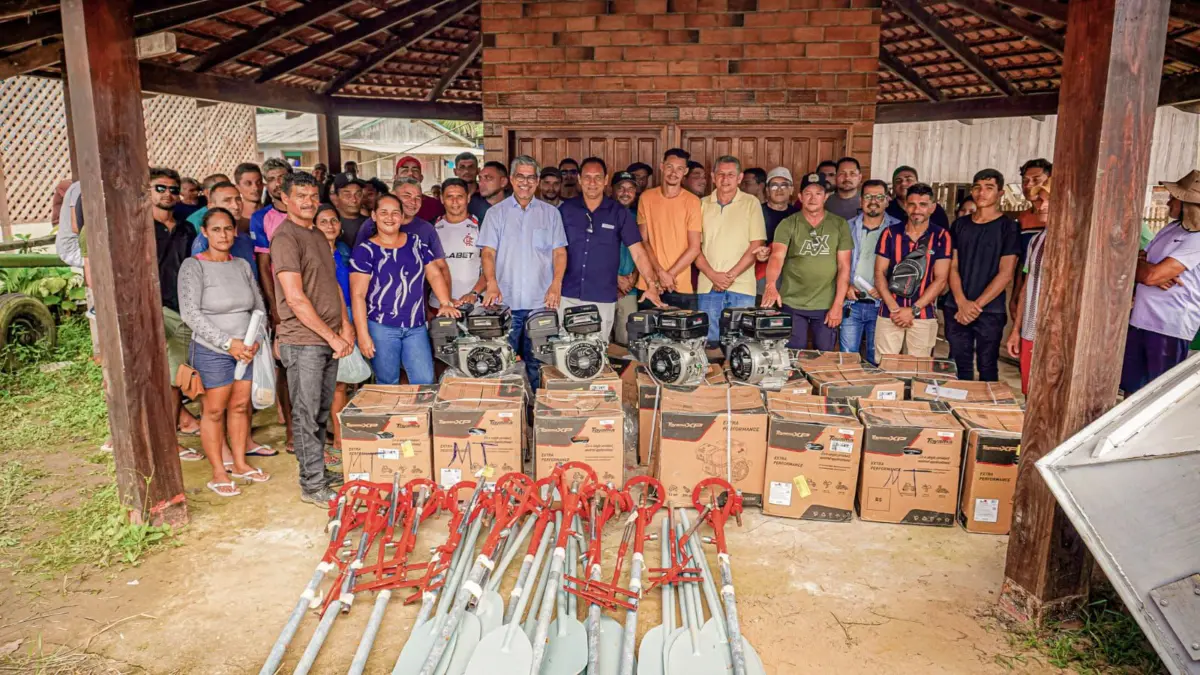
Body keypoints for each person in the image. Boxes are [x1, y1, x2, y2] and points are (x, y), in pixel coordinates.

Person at [270, 171, 355, 505]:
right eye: (300, 196)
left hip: (326, 338)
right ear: (285, 199)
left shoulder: (318, 234)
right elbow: (294, 298)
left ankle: (317, 471)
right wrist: (330, 336)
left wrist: (345, 326)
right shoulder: (285, 238)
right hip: (303, 340)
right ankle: (312, 484)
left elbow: (333, 283)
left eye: (311, 195)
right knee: (305, 414)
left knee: (320, 411)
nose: (307, 202)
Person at [177, 208, 270, 497]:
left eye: (228, 229)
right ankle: (218, 472)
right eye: (216, 229)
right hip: (212, 350)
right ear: (204, 232)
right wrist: (228, 343)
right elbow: (190, 313)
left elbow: (259, 306)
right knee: (214, 411)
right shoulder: (194, 266)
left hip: (247, 348)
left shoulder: (241, 264)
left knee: (241, 407)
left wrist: (254, 339)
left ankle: (240, 463)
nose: (223, 235)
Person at [479, 155, 568, 388]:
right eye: (521, 176)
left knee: (539, 363)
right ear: (511, 179)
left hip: (540, 304)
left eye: (531, 177)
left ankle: (536, 413)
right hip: (504, 303)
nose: (525, 182)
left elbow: (559, 253)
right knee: (501, 363)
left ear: (537, 181)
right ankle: (507, 414)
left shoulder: (551, 214)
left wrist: (556, 284)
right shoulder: (496, 213)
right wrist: (491, 282)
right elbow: (488, 253)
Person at [351, 194, 459, 385]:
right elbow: (358, 295)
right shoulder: (365, 251)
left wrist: (445, 302)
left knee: (425, 380)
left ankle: (418, 415)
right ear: (374, 216)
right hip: (381, 327)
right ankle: (391, 416)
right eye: (383, 212)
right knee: (388, 381)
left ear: (401, 217)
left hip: (415, 326)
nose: (389, 217)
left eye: (395, 213)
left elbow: (434, 274)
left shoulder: (416, 243)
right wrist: (363, 334)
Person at [559, 158, 663, 339]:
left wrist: (651, 284)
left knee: (596, 354)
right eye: (588, 177)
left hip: (602, 295)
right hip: (568, 294)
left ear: (605, 180)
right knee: (566, 352)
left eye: (597, 177)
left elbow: (638, 252)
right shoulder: (566, 209)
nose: (592, 183)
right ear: (580, 179)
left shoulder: (618, 212)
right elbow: (554, 251)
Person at [1121, 170, 1200, 394]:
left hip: (1169, 326)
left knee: (1158, 392)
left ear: (1188, 204)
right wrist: (1147, 271)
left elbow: (1150, 275)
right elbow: (1139, 262)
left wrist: (1149, 274)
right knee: (1131, 389)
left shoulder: (1197, 239)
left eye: (1174, 197)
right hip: (1141, 320)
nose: (1168, 201)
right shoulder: (1171, 228)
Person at [145, 167, 202, 457]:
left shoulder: (186, 228)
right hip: (150, 307)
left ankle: (169, 435)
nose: (168, 193)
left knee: (176, 376)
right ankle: (163, 440)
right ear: (147, 190)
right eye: (160, 188)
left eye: (173, 189)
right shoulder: (139, 226)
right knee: (157, 376)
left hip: (181, 308)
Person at [946, 168, 1021, 382]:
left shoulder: (1008, 227)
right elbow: (952, 266)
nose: (982, 193)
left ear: (1000, 194)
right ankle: (959, 411)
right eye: (977, 187)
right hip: (957, 307)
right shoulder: (960, 225)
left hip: (990, 310)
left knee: (987, 367)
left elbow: (1006, 273)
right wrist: (961, 302)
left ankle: (983, 413)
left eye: (989, 188)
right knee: (960, 367)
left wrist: (975, 306)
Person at [762, 173, 851, 351]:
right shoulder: (788, 224)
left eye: (818, 193)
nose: (813, 198)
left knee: (824, 357)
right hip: (792, 302)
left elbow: (844, 267)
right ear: (800, 197)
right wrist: (770, 285)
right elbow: (777, 256)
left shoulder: (839, 225)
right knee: (793, 355)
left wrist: (838, 305)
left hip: (826, 303)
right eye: (808, 193)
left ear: (826, 197)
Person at [873, 183, 952, 358]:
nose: (917, 210)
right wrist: (895, 309)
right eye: (912, 204)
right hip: (889, 313)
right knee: (886, 368)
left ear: (932, 207)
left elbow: (941, 279)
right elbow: (879, 273)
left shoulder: (941, 236)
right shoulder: (890, 234)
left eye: (923, 205)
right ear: (905, 206)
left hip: (923, 314)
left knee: (919, 372)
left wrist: (913, 310)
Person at [696, 156, 767, 345]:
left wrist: (729, 276)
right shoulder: (701, 204)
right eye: (720, 174)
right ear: (713, 177)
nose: (725, 179)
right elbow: (694, 247)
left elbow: (756, 244)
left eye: (730, 175)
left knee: (740, 342)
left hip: (742, 286)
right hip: (708, 285)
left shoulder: (751, 203)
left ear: (739, 177)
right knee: (709, 343)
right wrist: (713, 276)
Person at [841, 179, 900, 364]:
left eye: (879, 196)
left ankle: (874, 393)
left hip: (882, 305)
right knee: (848, 358)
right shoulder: (846, 227)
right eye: (868, 196)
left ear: (887, 200)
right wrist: (846, 285)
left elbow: (903, 267)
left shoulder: (898, 229)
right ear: (860, 200)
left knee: (878, 359)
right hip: (851, 303)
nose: (873, 200)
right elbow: (837, 263)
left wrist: (886, 289)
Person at [636, 148, 703, 310]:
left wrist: (669, 276)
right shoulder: (646, 197)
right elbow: (643, 241)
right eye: (670, 167)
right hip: (650, 284)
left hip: (680, 285)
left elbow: (694, 248)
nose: (674, 173)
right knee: (646, 334)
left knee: (681, 334)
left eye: (679, 169)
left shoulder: (692, 201)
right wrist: (660, 274)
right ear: (661, 166)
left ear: (685, 171)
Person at [314, 204, 355, 453]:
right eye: (324, 221)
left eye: (334, 221)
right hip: (329, 320)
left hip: (351, 315)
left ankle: (348, 430)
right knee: (337, 382)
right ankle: (339, 438)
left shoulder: (343, 251)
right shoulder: (313, 254)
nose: (330, 225)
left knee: (351, 379)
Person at [1006, 181, 1051, 394]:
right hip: (1030, 330)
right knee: (1029, 391)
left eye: (1045, 201)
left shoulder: (1075, 243)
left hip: (1054, 335)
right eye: (1039, 200)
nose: (1039, 206)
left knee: (1049, 393)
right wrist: (1017, 329)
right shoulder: (1036, 240)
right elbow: (1027, 284)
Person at [433, 178, 486, 309]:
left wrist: (474, 294)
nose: (455, 202)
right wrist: (445, 299)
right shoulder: (431, 227)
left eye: (459, 196)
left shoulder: (481, 225)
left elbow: (491, 267)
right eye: (449, 196)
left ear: (468, 198)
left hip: (475, 304)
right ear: (441, 199)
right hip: (438, 304)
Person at [191, 182, 257, 275]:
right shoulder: (205, 242)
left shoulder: (245, 238)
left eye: (238, 199)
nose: (236, 205)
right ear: (211, 206)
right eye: (227, 200)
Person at [611, 171, 641, 344]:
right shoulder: (603, 214)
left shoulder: (639, 217)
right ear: (612, 190)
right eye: (621, 188)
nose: (625, 192)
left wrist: (633, 279)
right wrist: (616, 279)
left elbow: (644, 251)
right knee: (601, 340)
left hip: (630, 288)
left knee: (627, 341)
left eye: (630, 189)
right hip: (604, 287)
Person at [886, 166, 950, 229]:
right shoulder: (886, 209)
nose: (903, 183)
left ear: (917, 183)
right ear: (893, 186)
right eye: (898, 181)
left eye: (909, 179)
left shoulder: (934, 209)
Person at [395, 156, 445, 222]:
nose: (410, 174)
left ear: (421, 178)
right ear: (396, 177)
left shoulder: (435, 205)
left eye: (415, 170)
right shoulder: (386, 202)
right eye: (405, 170)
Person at [330, 173, 367, 247]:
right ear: (336, 197)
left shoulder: (372, 224)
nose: (354, 200)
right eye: (347, 195)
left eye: (358, 194)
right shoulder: (329, 226)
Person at [826, 157, 862, 221]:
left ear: (859, 177)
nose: (847, 178)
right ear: (836, 177)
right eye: (842, 174)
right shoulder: (825, 202)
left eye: (852, 174)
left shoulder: (867, 202)